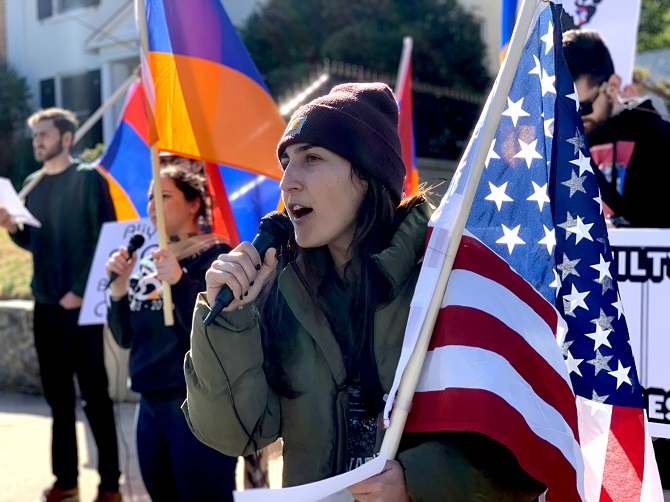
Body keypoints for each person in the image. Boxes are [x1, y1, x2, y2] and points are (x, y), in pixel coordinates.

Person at [180, 83, 546, 501]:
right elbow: (236, 435)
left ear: (368, 176)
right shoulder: (283, 286)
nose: (287, 183)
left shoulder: (450, 276)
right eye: (285, 163)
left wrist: (419, 482)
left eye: (311, 159)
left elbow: (529, 441)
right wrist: (229, 319)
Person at [0, 108, 121, 502]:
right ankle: (66, 481)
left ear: (66, 139)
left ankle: (109, 484)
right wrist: (13, 227)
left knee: (95, 395)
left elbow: (107, 236)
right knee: (58, 396)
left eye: (45, 134)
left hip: (83, 306)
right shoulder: (32, 185)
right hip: (45, 306)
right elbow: (33, 242)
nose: (38, 141)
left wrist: (83, 289)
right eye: (36, 135)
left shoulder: (89, 180)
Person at [105, 165, 237, 501]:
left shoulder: (217, 256)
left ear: (194, 204)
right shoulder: (149, 262)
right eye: (150, 197)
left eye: (163, 196)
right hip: (149, 402)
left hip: (196, 404)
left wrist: (179, 282)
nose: (152, 205)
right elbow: (124, 338)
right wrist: (119, 288)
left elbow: (216, 331)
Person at [563, 28, 670, 228]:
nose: (575, 118)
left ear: (612, 86)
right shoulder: (565, 144)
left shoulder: (661, 138)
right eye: (565, 109)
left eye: (582, 106)